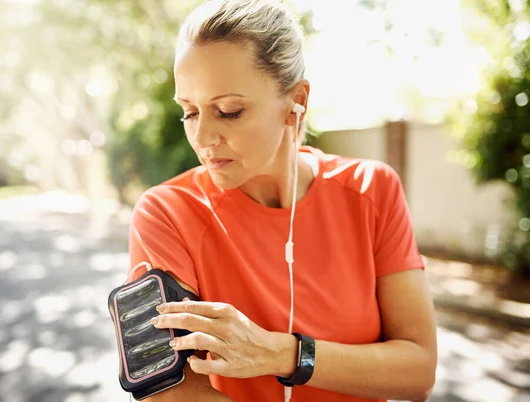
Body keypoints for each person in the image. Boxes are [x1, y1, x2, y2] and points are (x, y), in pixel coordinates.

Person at [125, 0, 437, 401]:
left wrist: (284, 355)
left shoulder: (372, 190)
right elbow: (166, 390)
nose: (202, 137)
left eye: (228, 111)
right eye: (189, 112)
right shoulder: (166, 213)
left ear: (297, 102)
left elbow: (418, 372)